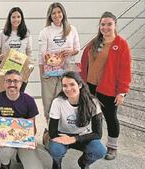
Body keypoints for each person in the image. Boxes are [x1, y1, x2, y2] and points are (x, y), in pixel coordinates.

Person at [80, 11, 131, 160]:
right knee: (90, 116)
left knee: (110, 117)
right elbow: (84, 63)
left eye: (109, 24)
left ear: (115, 25)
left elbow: (125, 70)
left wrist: (122, 92)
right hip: (90, 87)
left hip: (108, 89)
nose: (106, 27)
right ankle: (90, 143)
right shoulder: (94, 42)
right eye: (103, 24)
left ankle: (112, 147)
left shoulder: (121, 45)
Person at [48, 71, 106, 169]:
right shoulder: (57, 102)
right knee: (55, 150)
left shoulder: (93, 102)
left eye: (72, 84)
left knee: (100, 151)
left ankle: (84, 162)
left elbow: (98, 134)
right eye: (65, 85)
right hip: (62, 134)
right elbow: (52, 131)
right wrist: (65, 139)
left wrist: (74, 139)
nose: (68, 88)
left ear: (79, 85)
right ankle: (57, 163)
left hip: (83, 136)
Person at [0, 70, 43, 169]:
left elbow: (33, 127)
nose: (12, 84)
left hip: (23, 138)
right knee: (4, 151)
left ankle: (20, 154)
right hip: (6, 137)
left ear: (21, 83)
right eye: (8, 81)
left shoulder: (29, 100)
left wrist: (31, 139)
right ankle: (5, 163)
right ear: (4, 83)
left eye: (16, 81)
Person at [39, 2, 80, 122]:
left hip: (68, 69)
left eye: (59, 12)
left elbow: (77, 48)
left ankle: (67, 125)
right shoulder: (45, 31)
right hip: (50, 71)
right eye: (53, 13)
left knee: (67, 98)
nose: (57, 15)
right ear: (50, 16)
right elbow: (41, 54)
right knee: (49, 100)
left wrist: (71, 52)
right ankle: (50, 128)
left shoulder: (72, 29)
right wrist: (42, 73)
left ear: (63, 13)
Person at [0, 7, 33, 92]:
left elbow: (29, 51)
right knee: (5, 96)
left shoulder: (27, 34)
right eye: (13, 17)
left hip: (21, 72)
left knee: (19, 97)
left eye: (18, 17)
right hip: (5, 72)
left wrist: (28, 63)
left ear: (22, 18)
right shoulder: (2, 34)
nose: (16, 19)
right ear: (9, 18)